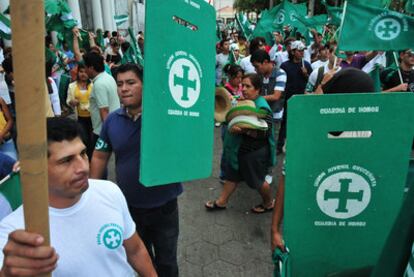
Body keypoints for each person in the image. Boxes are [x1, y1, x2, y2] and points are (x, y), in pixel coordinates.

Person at [0, 117, 157, 277]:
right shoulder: (13, 232)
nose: (82, 167)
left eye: (83, 153)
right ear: (33, 169)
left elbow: (135, 250)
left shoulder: (109, 191)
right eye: (66, 161)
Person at [90, 64, 183, 277]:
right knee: (141, 260)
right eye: (120, 84)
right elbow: (99, 155)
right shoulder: (112, 121)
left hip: (164, 206)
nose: (124, 88)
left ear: (144, 84)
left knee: (167, 262)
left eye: (131, 82)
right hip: (128, 207)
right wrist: (91, 192)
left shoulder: (165, 116)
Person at [271, 68, 376, 252]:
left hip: (348, 232)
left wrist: (323, 88)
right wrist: (275, 230)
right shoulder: (308, 135)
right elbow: (287, 181)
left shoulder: (368, 135)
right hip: (310, 226)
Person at [205, 73, 276, 213]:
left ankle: (268, 203)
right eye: (242, 85)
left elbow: (265, 132)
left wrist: (244, 131)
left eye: (248, 86)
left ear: (257, 90)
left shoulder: (262, 108)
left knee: (258, 181)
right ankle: (222, 202)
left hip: (253, 153)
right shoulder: (245, 102)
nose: (243, 89)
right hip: (240, 151)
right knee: (232, 176)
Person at [83, 51, 119, 149]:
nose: (84, 70)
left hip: (101, 132)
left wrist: (107, 134)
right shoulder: (108, 77)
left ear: (91, 68)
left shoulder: (99, 84)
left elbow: (104, 110)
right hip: (112, 127)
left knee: (96, 161)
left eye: (85, 67)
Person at [66, 63, 94, 159]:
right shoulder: (72, 86)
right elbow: (68, 100)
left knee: (92, 140)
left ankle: (92, 160)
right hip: (80, 118)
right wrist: (72, 102)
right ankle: (85, 158)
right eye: (81, 72)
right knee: (83, 139)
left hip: (92, 117)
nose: (83, 74)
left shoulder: (94, 85)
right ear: (77, 73)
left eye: (85, 72)